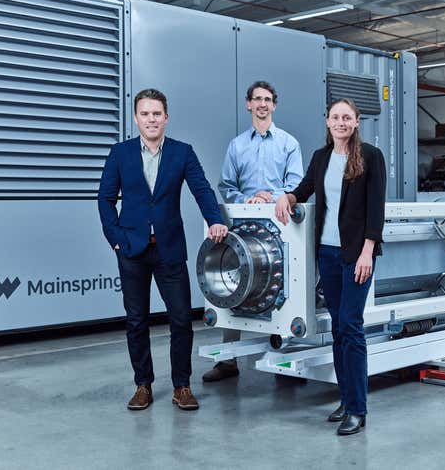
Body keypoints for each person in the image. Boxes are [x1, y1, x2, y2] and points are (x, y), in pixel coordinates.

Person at [98, 88, 228, 411]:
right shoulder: (120, 153)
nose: (151, 119)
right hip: (132, 249)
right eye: (145, 113)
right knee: (136, 320)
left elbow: (202, 189)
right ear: (136, 118)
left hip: (169, 248)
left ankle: (182, 386)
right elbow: (105, 198)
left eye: (157, 113)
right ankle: (143, 384)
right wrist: (116, 239)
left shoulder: (182, 152)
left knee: (182, 319)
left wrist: (215, 219)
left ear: (166, 117)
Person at [275, 98, 386, 436]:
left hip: (356, 254)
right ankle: (346, 397)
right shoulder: (321, 157)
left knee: (351, 326)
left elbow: (376, 208)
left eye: (347, 118)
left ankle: (358, 409)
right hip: (327, 252)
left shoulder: (370, 156)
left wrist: (368, 250)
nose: (340, 122)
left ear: (356, 122)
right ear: (327, 122)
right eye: (335, 117)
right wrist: (285, 197)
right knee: (337, 327)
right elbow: (305, 189)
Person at [203, 81, 303, 382]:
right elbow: (226, 185)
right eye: (257, 99)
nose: (262, 104)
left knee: (284, 291)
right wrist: (245, 200)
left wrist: (269, 198)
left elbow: (296, 185)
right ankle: (228, 362)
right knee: (235, 288)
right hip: (244, 227)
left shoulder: (289, 144)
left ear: (274, 105)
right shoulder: (237, 145)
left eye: (268, 99)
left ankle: (286, 359)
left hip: (280, 225)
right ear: (248, 104)